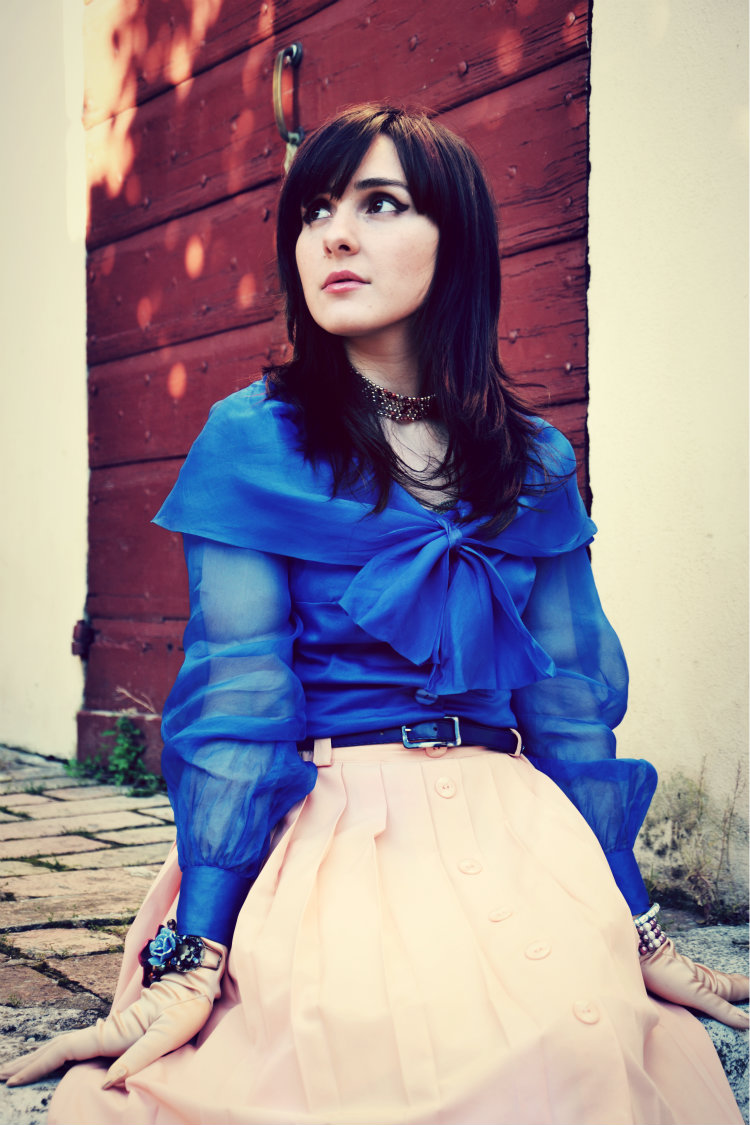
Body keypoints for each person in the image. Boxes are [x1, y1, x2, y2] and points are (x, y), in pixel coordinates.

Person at [2, 104, 746, 1125]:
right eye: (314, 212)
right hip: (327, 820)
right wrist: (195, 954)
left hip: (514, 823)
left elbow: (571, 710)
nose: (335, 236)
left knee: (571, 1048)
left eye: (380, 204)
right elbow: (238, 700)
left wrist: (641, 926)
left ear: (456, 238)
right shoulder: (251, 439)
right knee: (365, 1048)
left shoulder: (535, 459)